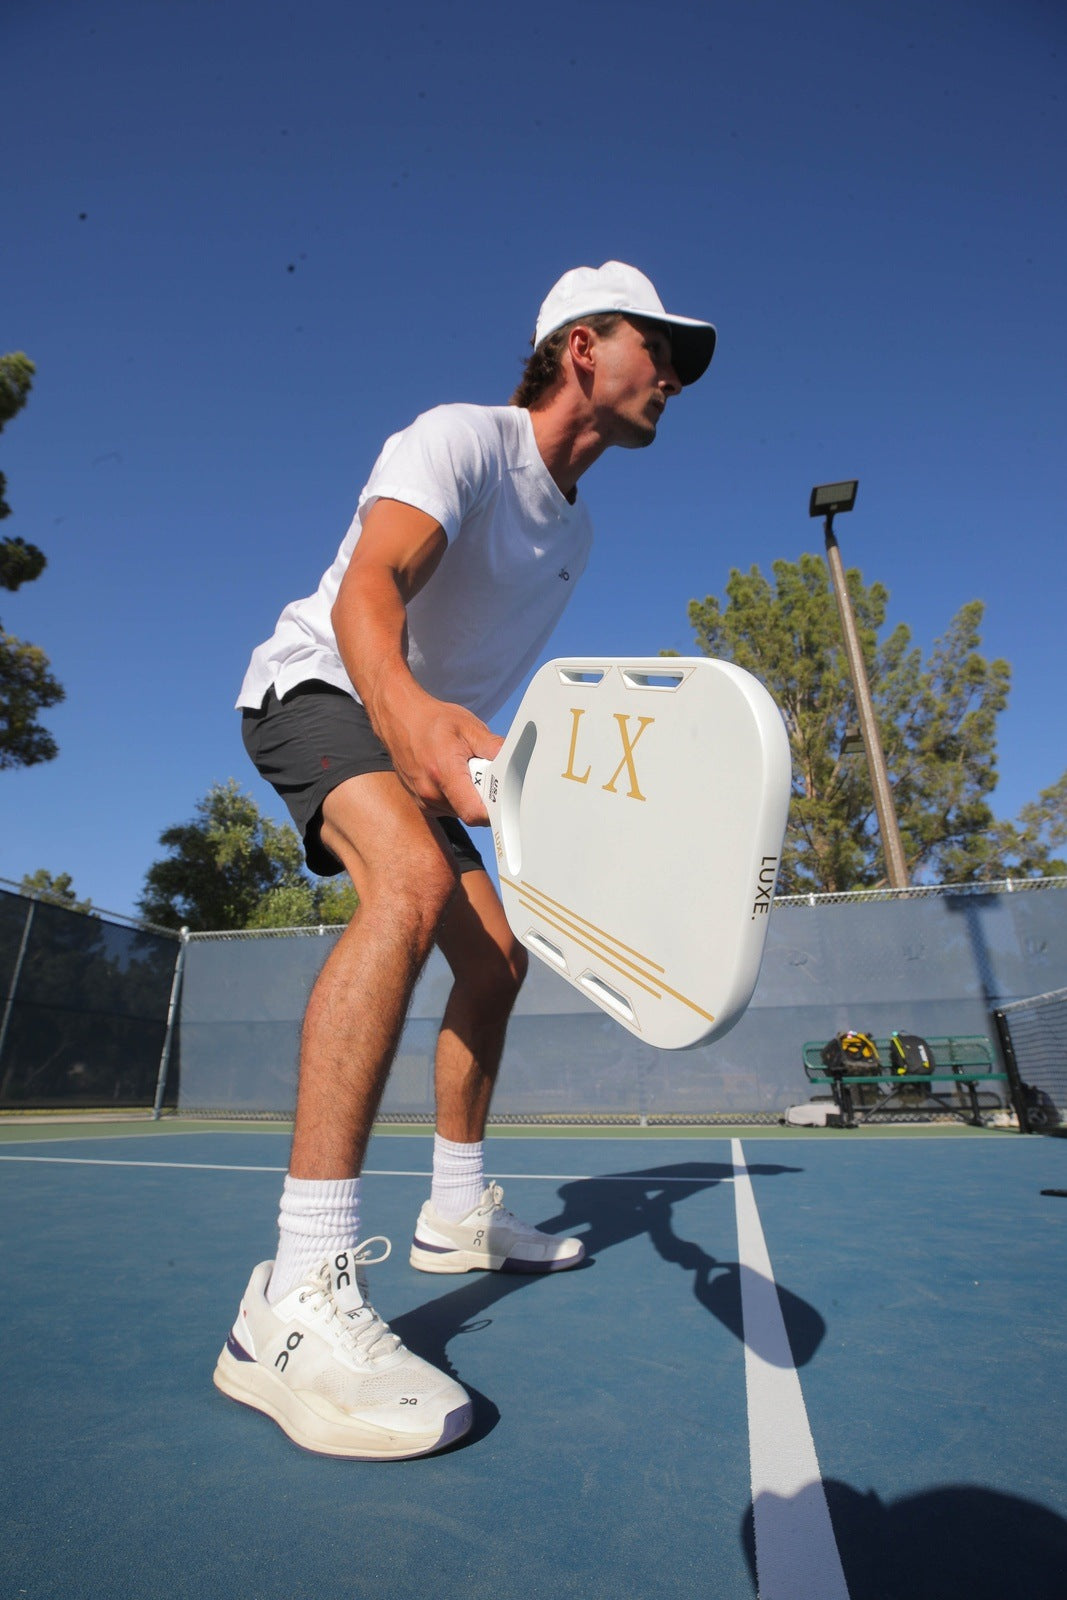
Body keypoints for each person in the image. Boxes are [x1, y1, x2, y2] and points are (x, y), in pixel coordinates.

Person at [213, 261, 716, 1460]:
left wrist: (492, 781)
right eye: (663, 350)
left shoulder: (575, 532)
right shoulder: (461, 441)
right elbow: (368, 591)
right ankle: (295, 1290)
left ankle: (455, 1215)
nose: (677, 380)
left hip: (418, 740)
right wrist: (409, 718)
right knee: (411, 884)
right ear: (583, 346)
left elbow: (483, 696)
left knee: (496, 958)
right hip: (322, 687)